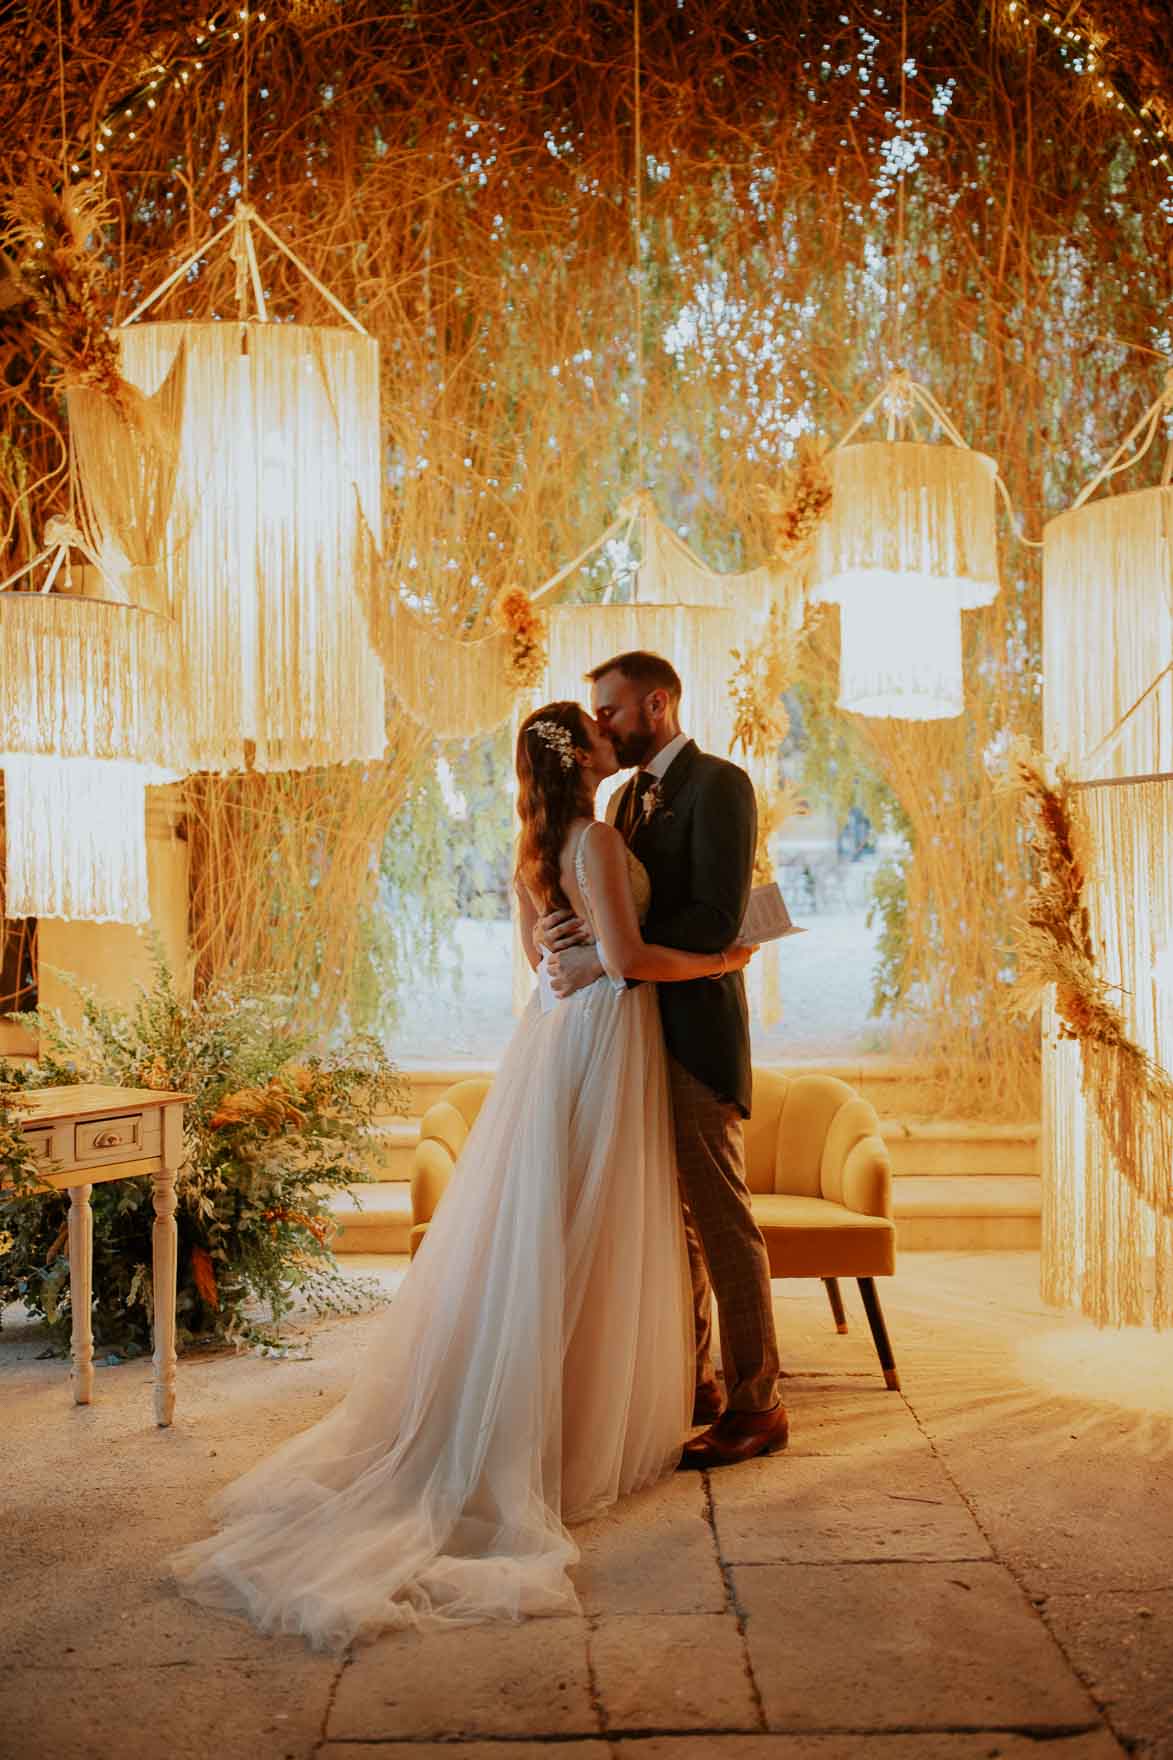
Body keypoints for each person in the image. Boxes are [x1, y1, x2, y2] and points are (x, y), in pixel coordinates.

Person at [169, 699, 754, 1653]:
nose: (613, 734)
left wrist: (577, 960)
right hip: (608, 1032)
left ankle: (554, 1395)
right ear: (585, 756)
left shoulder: (529, 849)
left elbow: (541, 959)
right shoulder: (598, 838)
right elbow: (627, 958)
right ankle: (563, 1423)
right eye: (599, 731)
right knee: (594, 1217)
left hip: (560, 1035)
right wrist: (724, 956)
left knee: (563, 1217)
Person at [541, 650, 789, 1469]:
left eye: (609, 711)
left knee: (720, 1220)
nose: (600, 726)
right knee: (673, 1223)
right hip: (634, 1038)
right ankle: (695, 1380)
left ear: (657, 704)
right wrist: (568, 935)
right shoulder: (620, 798)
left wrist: (615, 954)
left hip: (696, 1035)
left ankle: (758, 1404)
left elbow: (716, 917)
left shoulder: (719, 784)